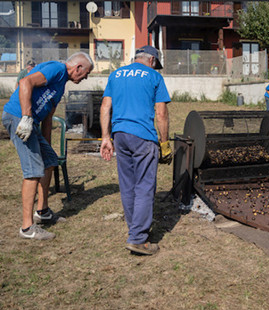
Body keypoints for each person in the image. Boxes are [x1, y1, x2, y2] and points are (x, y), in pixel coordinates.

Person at [2, 52, 94, 240]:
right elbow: (25, 83)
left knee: (49, 160)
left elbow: (48, 117)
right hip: (18, 117)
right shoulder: (57, 69)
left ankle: (42, 211)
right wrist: (27, 117)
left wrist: (47, 147)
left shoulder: (61, 85)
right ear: (78, 68)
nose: (86, 77)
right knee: (33, 171)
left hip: (31, 122)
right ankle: (27, 228)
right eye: (86, 73)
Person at [100, 45, 172, 256]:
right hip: (143, 137)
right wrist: (165, 143)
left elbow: (105, 106)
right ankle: (138, 239)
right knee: (144, 186)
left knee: (128, 184)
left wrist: (106, 137)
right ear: (151, 61)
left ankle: (134, 230)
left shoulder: (116, 74)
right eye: (156, 65)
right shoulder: (154, 77)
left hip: (120, 135)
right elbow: (161, 114)